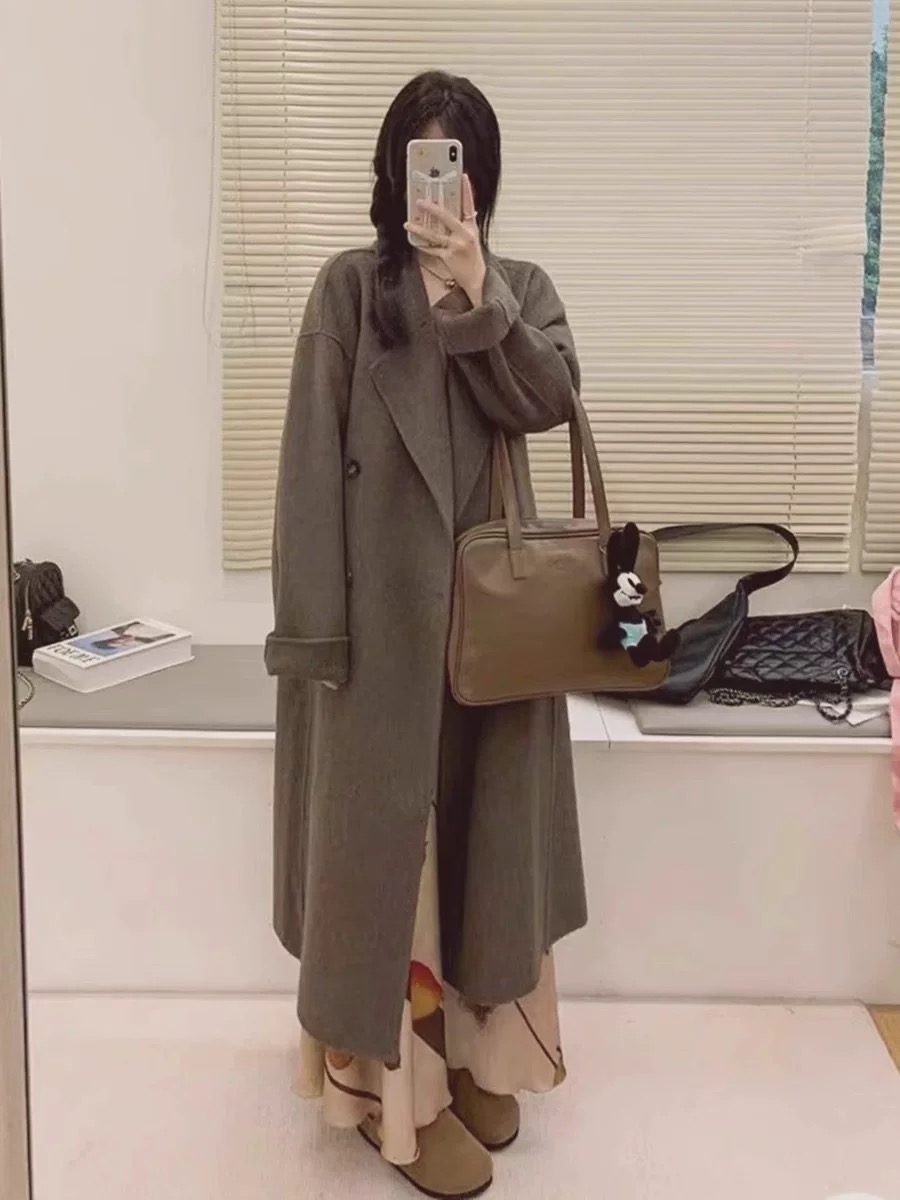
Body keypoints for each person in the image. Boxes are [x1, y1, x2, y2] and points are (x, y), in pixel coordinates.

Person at [265, 70, 587, 1198]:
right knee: (391, 875)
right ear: (394, 175)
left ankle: (474, 1052)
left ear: (482, 181)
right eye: (424, 162)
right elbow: (309, 472)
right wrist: (315, 642)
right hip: (381, 648)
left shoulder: (521, 288)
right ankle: (390, 1098)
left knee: (483, 864)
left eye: (461, 164)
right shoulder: (351, 293)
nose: (442, 187)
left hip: (496, 640)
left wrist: (479, 294)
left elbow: (551, 402)